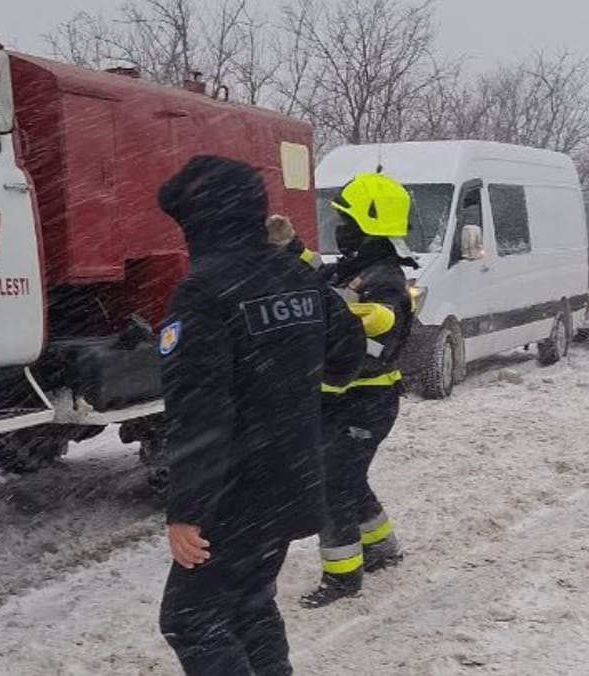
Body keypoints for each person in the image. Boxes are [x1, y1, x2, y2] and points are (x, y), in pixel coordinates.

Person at [156, 155, 366, 674]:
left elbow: (200, 409)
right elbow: (347, 353)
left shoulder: (203, 291)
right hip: (293, 476)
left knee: (191, 616)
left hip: (236, 490)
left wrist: (187, 509)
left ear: (199, 221)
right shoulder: (296, 271)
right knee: (250, 603)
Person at [300, 172, 418, 609]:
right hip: (347, 400)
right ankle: (383, 548)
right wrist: (292, 249)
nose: (337, 225)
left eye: (344, 217)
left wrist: (327, 316)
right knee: (349, 478)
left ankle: (343, 578)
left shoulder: (384, 280)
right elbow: (326, 277)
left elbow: (375, 330)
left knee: (334, 485)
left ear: (367, 225)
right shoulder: (357, 268)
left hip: (366, 403)